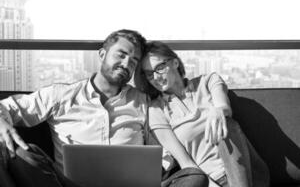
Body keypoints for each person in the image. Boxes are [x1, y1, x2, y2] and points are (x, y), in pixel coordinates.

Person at [0, 30, 208, 187]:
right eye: (121, 55)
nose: (126, 63)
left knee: (195, 177)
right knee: (22, 155)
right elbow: (5, 108)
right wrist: (2, 123)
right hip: (70, 186)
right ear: (102, 54)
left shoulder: (144, 102)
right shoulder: (60, 95)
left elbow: (162, 152)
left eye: (134, 60)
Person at [135, 41, 270, 187]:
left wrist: (219, 110)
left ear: (175, 62)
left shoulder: (207, 81)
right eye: (149, 74)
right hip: (212, 182)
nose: (155, 77)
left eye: (159, 68)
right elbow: (186, 164)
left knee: (226, 123)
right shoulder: (156, 110)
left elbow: (224, 106)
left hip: (250, 175)